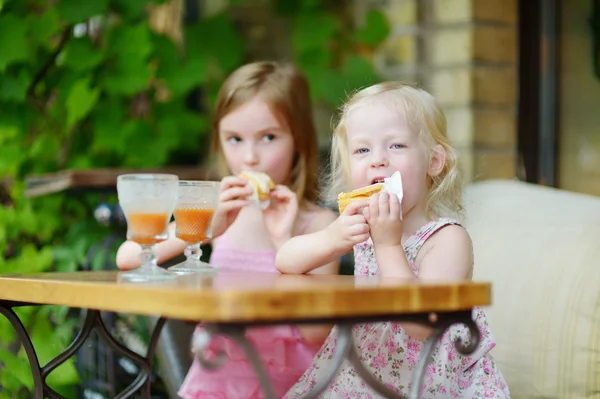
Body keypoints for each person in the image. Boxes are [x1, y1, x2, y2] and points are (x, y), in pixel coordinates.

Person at [116, 61, 339, 398]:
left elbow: (315, 332)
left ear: (299, 140)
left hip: (292, 386)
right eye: (234, 139)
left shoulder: (318, 224)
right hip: (219, 382)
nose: (249, 157)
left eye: (268, 137)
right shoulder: (218, 213)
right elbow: (128, 257)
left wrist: (284, 242)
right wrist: (202, 228)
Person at [276, 82, 510, 398]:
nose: (377, 160)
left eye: (396, 146)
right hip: (366, 373)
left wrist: (389, 246)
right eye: (362, 150)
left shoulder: (446, 239)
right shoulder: (361, 228)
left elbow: (421, 324)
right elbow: (285, 261)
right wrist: (332, 238)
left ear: (434, 162)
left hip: (427, 384)